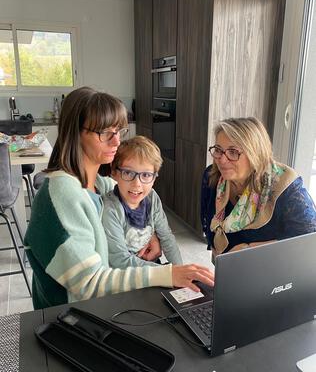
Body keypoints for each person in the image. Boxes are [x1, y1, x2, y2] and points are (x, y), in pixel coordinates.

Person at [24, 86, 214, 309]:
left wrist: (151, 234)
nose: (116, 142)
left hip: (101, 304)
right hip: (70, 317)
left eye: (119, 131)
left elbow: (139, 201)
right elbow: (90, 283)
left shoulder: (99, 184)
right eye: (105, 133)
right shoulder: (62, 194)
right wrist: (167, 274)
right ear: (75, 132)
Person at [201, 117, 316, 257]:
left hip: (269, 268)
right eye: (218, 150)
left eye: (233, 152)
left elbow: (309, 240)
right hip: (225, 265)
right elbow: (207, 219)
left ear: (255, 153)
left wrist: (249, 250)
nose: (222, 160)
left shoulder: (285, 186)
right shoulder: (212, 176)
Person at [103, 135, 183, 268]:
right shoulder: (110, 209)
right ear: (114, 173)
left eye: (146, 175)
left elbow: (166, 237)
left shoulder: (152, 197)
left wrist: (180, 270)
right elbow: (119, 261)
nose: (137, 184)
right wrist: (169, 273)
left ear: (154, 178)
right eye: (128, 173)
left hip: (152, 267)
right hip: (127, 277)